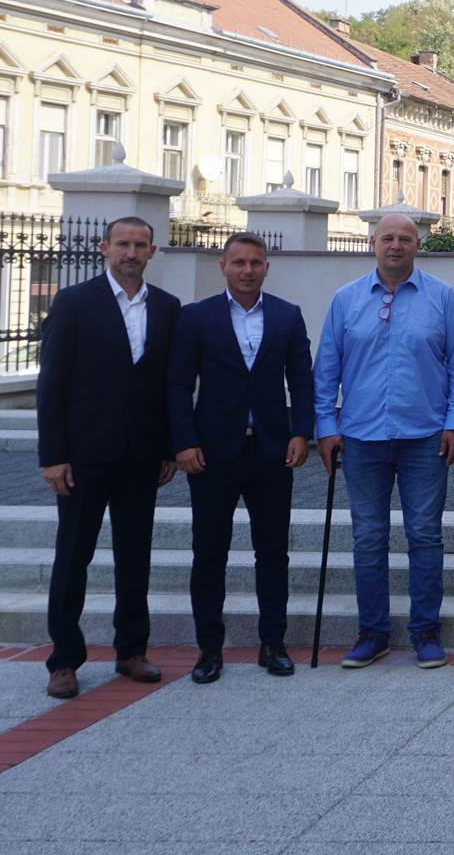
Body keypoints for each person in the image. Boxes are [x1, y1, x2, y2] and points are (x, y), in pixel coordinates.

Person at [312, 213, 454, 670]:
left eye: (405, 238)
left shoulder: (442, 297)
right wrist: (326, 427)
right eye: (388, 238)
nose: (396, 246)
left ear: (417, 245)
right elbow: (326, 370)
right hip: (361, 437)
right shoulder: (345, 300)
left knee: (424, 535)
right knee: (368, 537)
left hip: (425, 436)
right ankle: (373, 632)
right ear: (372, 244)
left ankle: (426, 631)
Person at [38, 216, 182, 699]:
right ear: (104, 248)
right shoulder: (75, 303)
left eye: (140, 245)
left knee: (135, 557)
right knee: (73, 555)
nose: (131, 253)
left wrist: (166, 447)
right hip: (83, 456)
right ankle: (63, 660)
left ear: (152, 252)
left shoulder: (167, 307)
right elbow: (52, 384)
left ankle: (132, 650)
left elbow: (166, 386)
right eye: (123, 244)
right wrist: (53, 455)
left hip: (141, 457)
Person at [167, 232, 315, 684]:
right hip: (212, 454)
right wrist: (183, 442)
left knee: (272, 554)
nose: (248, 270)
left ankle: (273, 644)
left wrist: (301, 433)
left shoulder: (287, 316)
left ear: (267, 267)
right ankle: (209, 649)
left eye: (256, 262)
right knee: (208, 554)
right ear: (223, 267)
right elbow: (177, 385)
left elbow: (303, 380)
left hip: (271, 452)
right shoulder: (196, 318)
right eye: (239, 263)